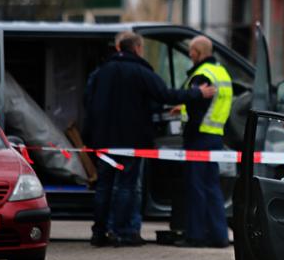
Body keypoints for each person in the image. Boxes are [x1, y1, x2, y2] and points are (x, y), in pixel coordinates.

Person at [85, 32, 216, 247]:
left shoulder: (101, 72)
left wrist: (90, 135)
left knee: (104, 186)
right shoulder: (141, 71)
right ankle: (122, 233)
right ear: (137, 48)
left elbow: (87, 102)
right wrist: (197, 95)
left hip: (103, 140)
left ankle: (99, 232)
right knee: (126, 186)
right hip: (131, 141)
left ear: (120, 48)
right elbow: (165, 94)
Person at [171, 36, 234, 248]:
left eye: (191, 51)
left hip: (198, 138)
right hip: (214, 136)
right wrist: (184, 108)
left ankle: (195, 236)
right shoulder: (221, 72)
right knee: (211, 187)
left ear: (198, 52)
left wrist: (186, 115)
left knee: (196, 187)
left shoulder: (202, 75)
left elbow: (198, 106)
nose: (189, 55)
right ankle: (219, 236)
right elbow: (212, 105)